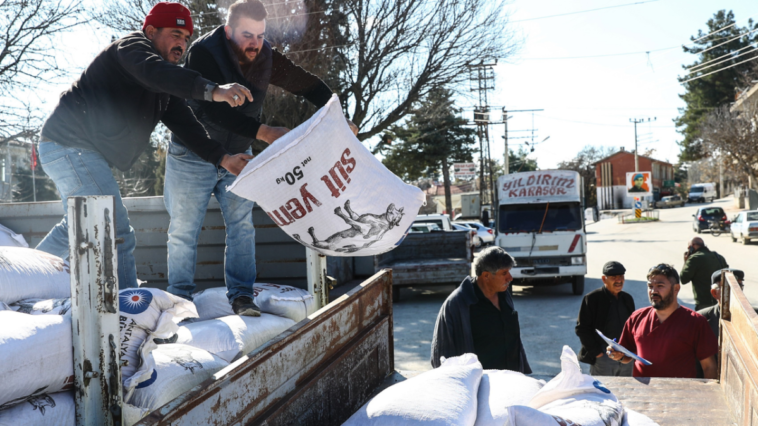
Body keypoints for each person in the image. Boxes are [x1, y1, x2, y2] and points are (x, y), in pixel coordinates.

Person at [36, 2, 253, 290]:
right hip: (68, 145)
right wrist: (214, 90)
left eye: (186, 38)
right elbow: (156, 73)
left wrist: (223, 159)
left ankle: (19, 276)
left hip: (75, 150)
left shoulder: (163, 86)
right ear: (151, 31)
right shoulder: (132, 49)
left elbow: (187, 126)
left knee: (77, 226)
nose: (182, 43)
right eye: (175, 34)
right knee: (115, 228)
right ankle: (131, 313)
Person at [163, 0, 358, 316]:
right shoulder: (203, 53)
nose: (254, 43)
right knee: (184, 230)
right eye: (246, 35)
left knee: (242, 226)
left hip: (240, 155)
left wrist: (338, 115)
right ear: (228, 31)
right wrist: (263, 131)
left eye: (260, 35)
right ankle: (179, 303)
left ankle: (241, 297)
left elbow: (304, 82)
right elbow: (209, 112)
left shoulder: (265, 55)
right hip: (194, 153)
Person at [607, 264, 718, 379]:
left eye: (660, 286)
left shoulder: (696, 322)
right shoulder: (636, 318)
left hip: (681, 394)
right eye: (650, 286)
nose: (653, 291)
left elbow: (709, 366)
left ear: (676, 289)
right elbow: (626, 357)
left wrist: (708, 394)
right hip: (642, 393)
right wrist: (617, 355)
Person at [430, 247, 531, 372]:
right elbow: (441, 352)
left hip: (510, 379)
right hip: (479, 384)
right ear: (486, 276)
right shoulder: (457, 303)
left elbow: (512, 337)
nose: (510, 278)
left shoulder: (504, 295)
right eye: (504, 273)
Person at [575, 261, 635, 376]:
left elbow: (633, 327)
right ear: (604, 279)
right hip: (604, 357)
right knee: (603, 391)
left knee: (627, 391)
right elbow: (582, 329)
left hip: (625, 356)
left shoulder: (627, 299)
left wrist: (631, 353)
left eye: (621, 276)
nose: (618, 280)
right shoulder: (592, 298)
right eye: (614, 277)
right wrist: (597, 353)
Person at [681, 237, 728, 311]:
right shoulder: (719, 257)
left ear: (692, 247)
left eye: (689, 248)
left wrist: (686, 262)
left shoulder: (694, 258)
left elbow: (683, 279)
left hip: (704, 304)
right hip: (722, 301)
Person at [698, 269, 745, 338]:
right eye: (728, 288)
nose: (736, 292)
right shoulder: (700, 320)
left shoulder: (754, 316)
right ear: (714, 293)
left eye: (739, 287)